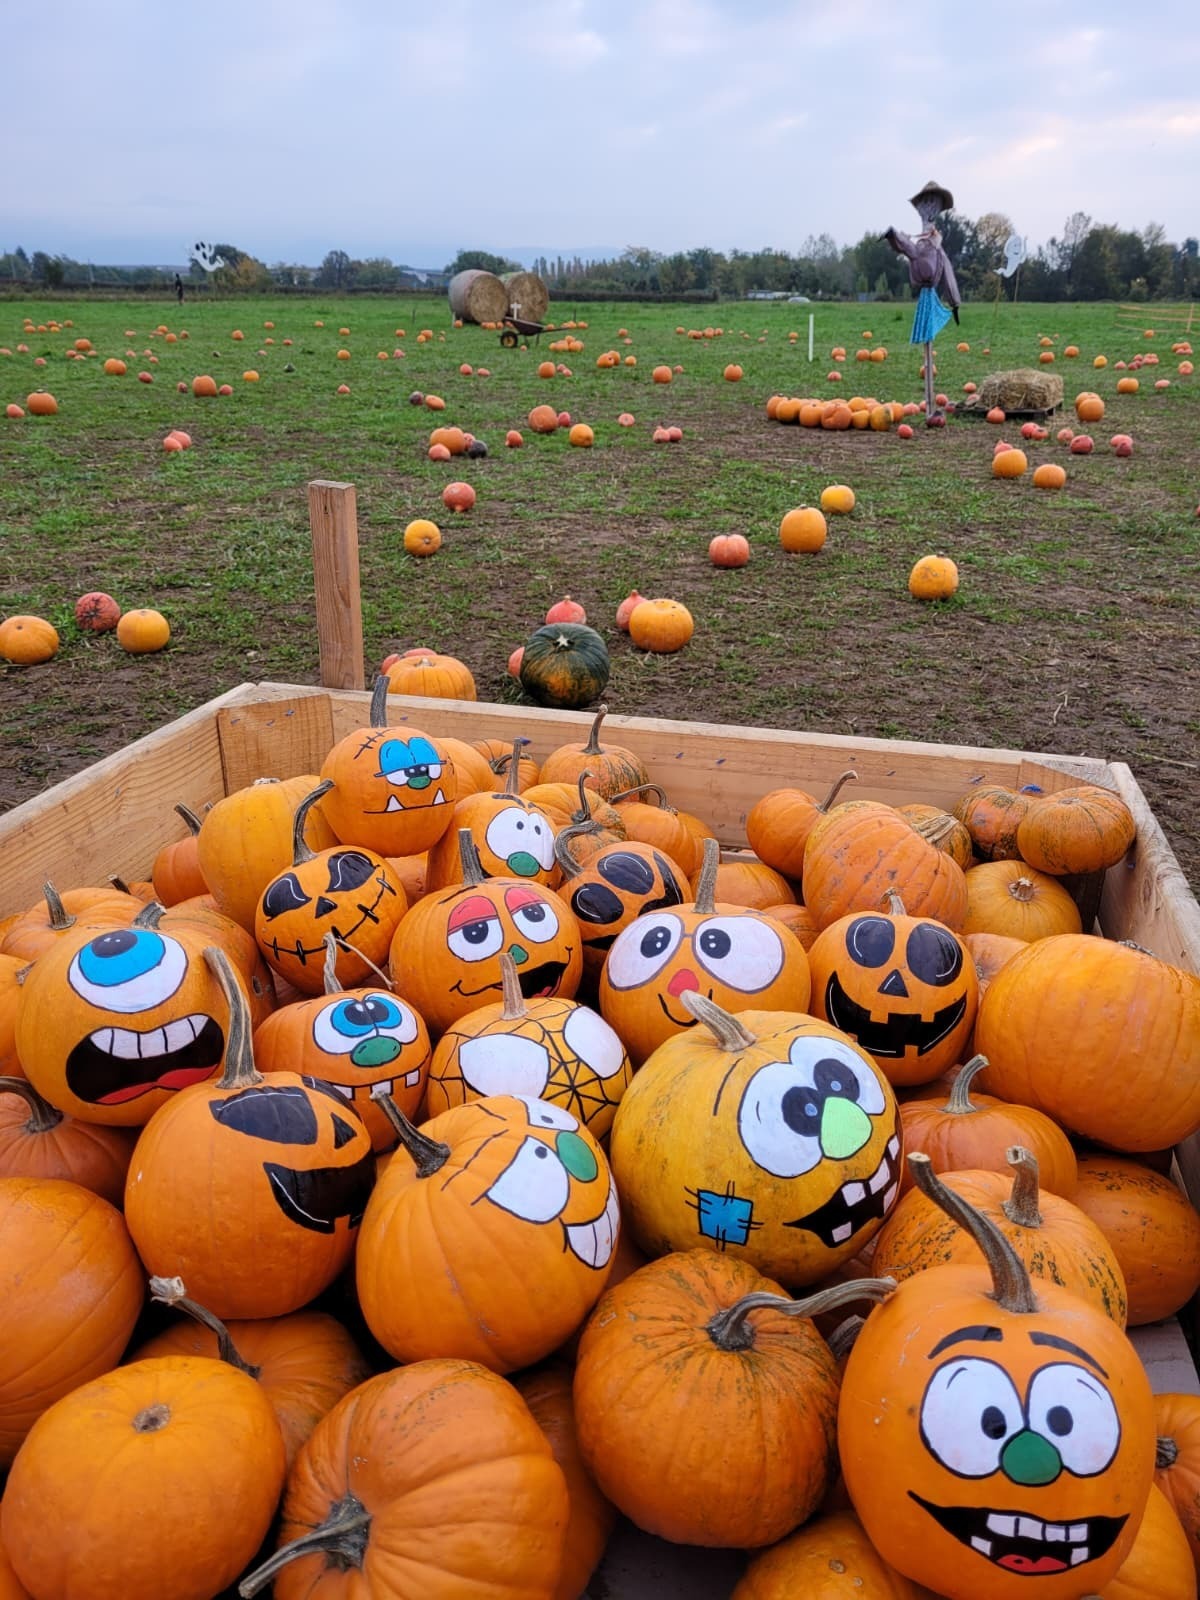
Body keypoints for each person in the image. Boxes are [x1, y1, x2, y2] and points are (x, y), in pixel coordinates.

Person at [884, 181, 961, 423]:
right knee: (927, 349)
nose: (930, 209)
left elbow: (947, 271)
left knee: (929, 347)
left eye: (933, 205)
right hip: (926, 295)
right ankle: (929, 405)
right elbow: (908, 249)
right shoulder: (921, 245)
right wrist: (894, 237)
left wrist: (955, 301)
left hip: (932, 297)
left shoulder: (935, 245)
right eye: (926, 204)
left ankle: (931, 404)